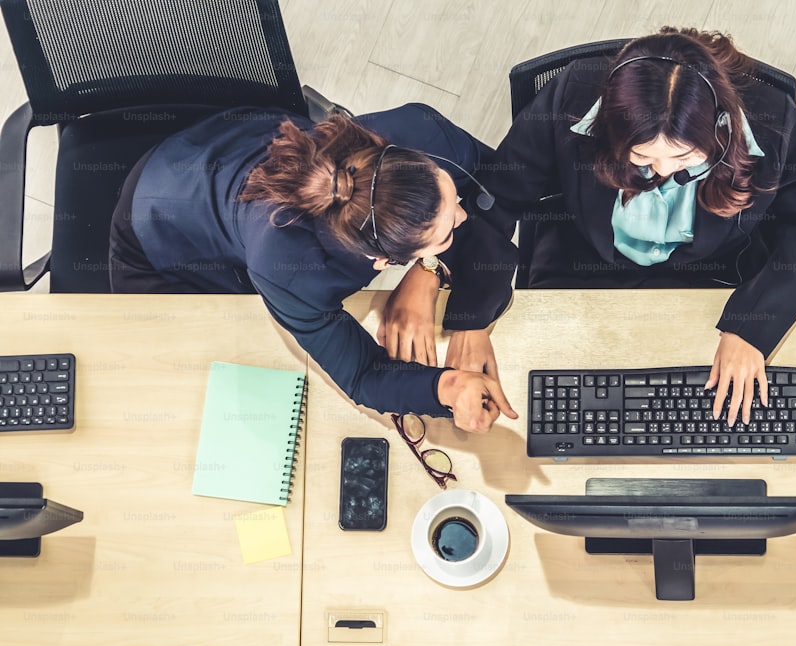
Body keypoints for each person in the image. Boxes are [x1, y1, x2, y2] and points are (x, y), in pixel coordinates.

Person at [474, 26, 796, 426]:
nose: (665, 173)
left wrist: (752, 326)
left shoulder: (774, 121)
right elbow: (497, 196)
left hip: (717, 277)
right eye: (643, 157)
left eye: (684, 157)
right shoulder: (570, 95)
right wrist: (472, 314)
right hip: (583, 265)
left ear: (718, 127)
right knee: (546, 399)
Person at [108, 103, 519, 433]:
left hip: (238, 138)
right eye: (447, 233)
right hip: (160, 223)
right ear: (381, 261)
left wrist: (429, 269)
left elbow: (500, 189)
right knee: (188, 378)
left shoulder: (424, 134)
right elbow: (361, 374)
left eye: (448, 191)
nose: (464, 217)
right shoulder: (290, 271)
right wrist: (445, 386)